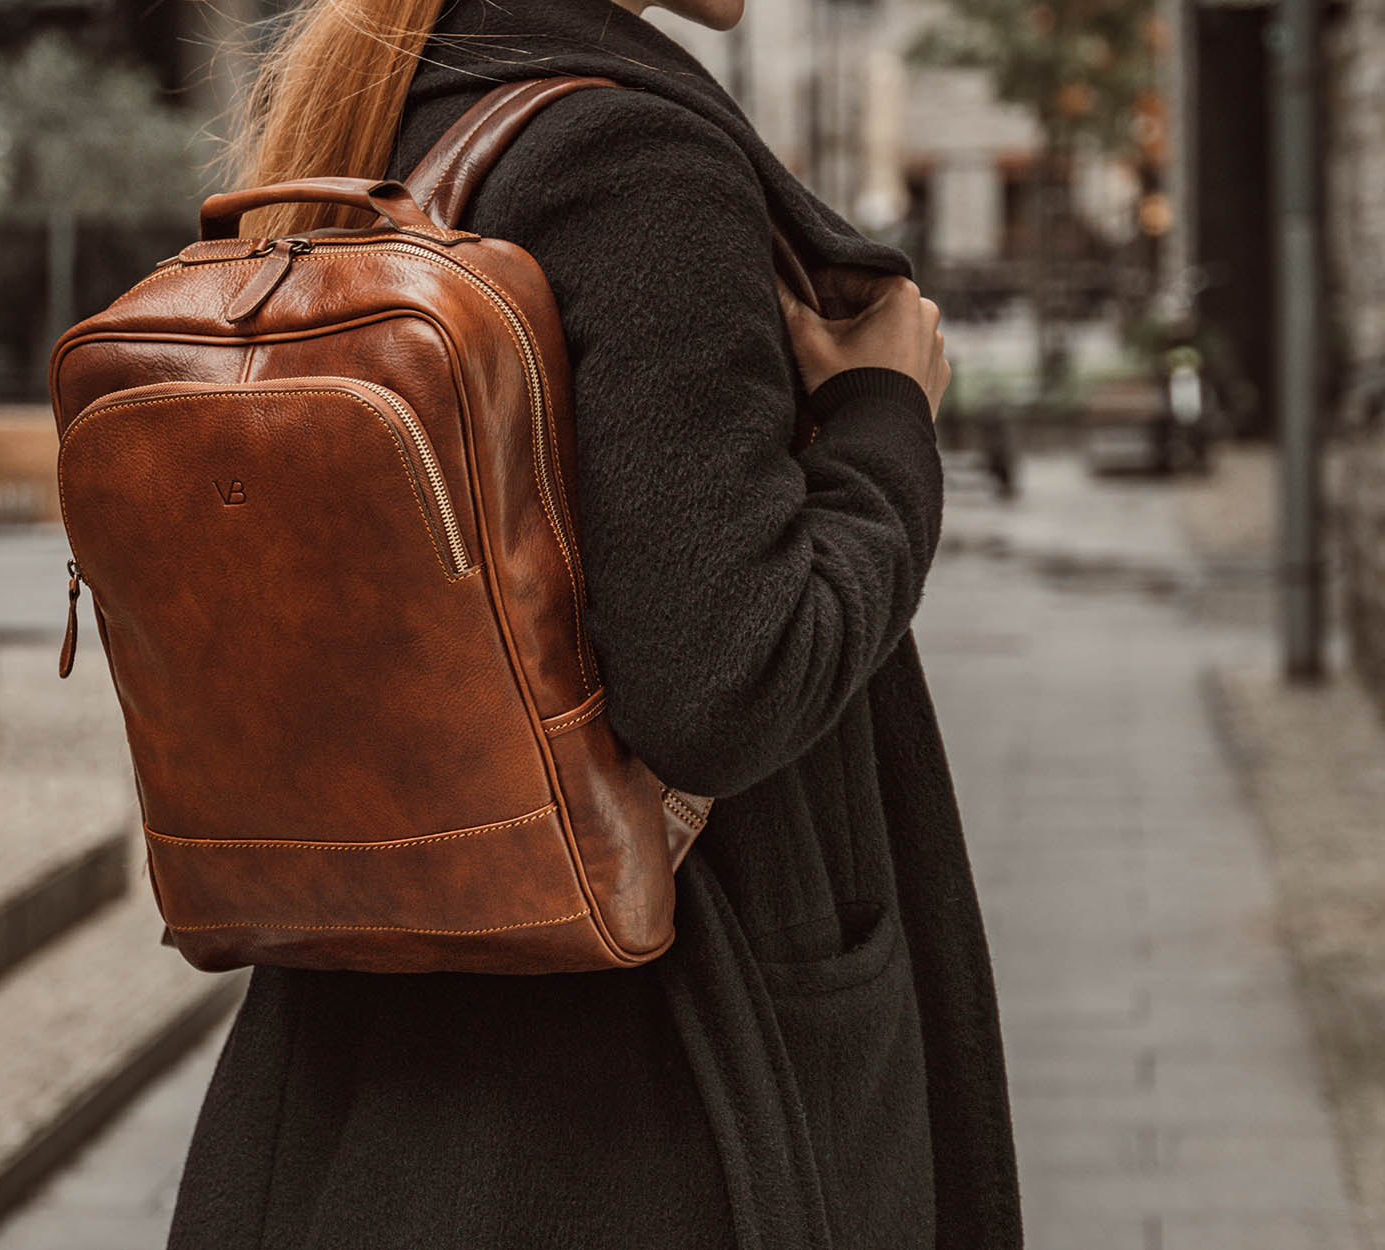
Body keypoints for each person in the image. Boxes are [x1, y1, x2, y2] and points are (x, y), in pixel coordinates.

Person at [166, 1, 1021, 1247]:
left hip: (377, 1060)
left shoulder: (397, 115)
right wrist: (885, 414)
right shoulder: (630, 163)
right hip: (645, 1101)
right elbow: (728, 679)